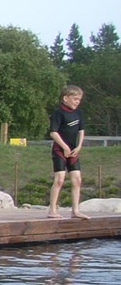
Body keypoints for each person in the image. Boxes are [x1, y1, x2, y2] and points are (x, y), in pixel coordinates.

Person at [47, 85, 88, 219]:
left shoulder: (78, 113)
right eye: (75, 99)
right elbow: (53, 133)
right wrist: (64, 147)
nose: (77, 102)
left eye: (79, 99)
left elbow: (81, 131)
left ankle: (75, 210)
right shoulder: (58, 113)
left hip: (73, 150)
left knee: (77, 180)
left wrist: (79, 146)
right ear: (66, 98)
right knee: (59, 179)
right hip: (60, 149)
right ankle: (52, 210)